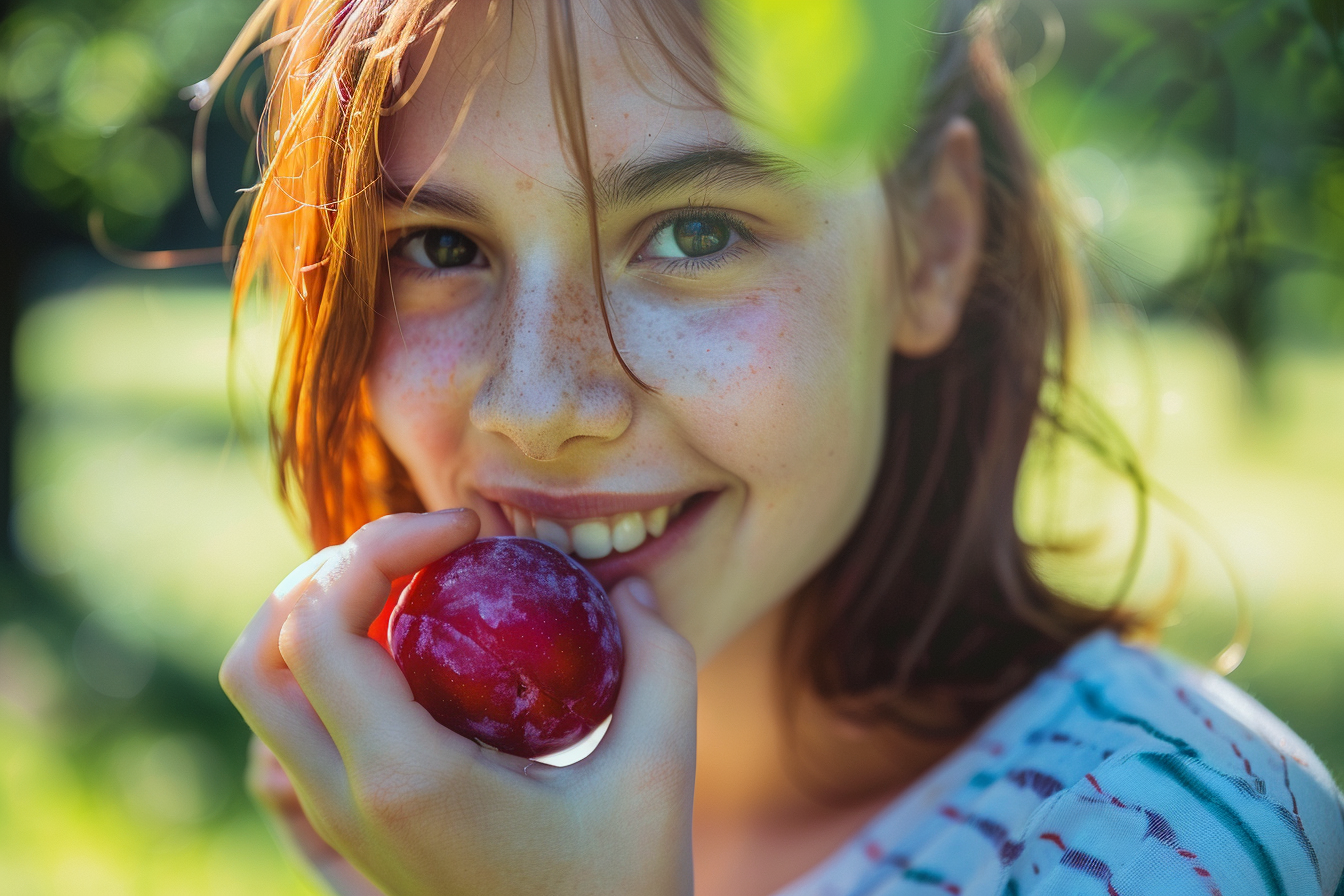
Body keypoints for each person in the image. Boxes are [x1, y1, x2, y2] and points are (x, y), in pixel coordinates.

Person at [212, 0, 1344, 893]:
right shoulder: (435, 811)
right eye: (441, 244)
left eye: (695, 232)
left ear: (932, 248)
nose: (541, 401)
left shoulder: (1166, 836)